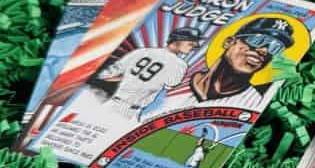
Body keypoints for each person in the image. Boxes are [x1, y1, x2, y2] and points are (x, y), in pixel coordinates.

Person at [153, 17, 294, 114]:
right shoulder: (179, 74)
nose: (263, 51)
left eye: (275, 48)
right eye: (257, 40)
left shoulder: (254, 102)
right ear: (229, 42)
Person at [96, 27, 201, 120]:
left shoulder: (142, 51)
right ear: (178, 41)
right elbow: (171, 84)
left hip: (113, 104)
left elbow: (106, 75)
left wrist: (127, 78)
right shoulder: (180, 64)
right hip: (131, 112)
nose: (193, 47)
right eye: (190, 44)